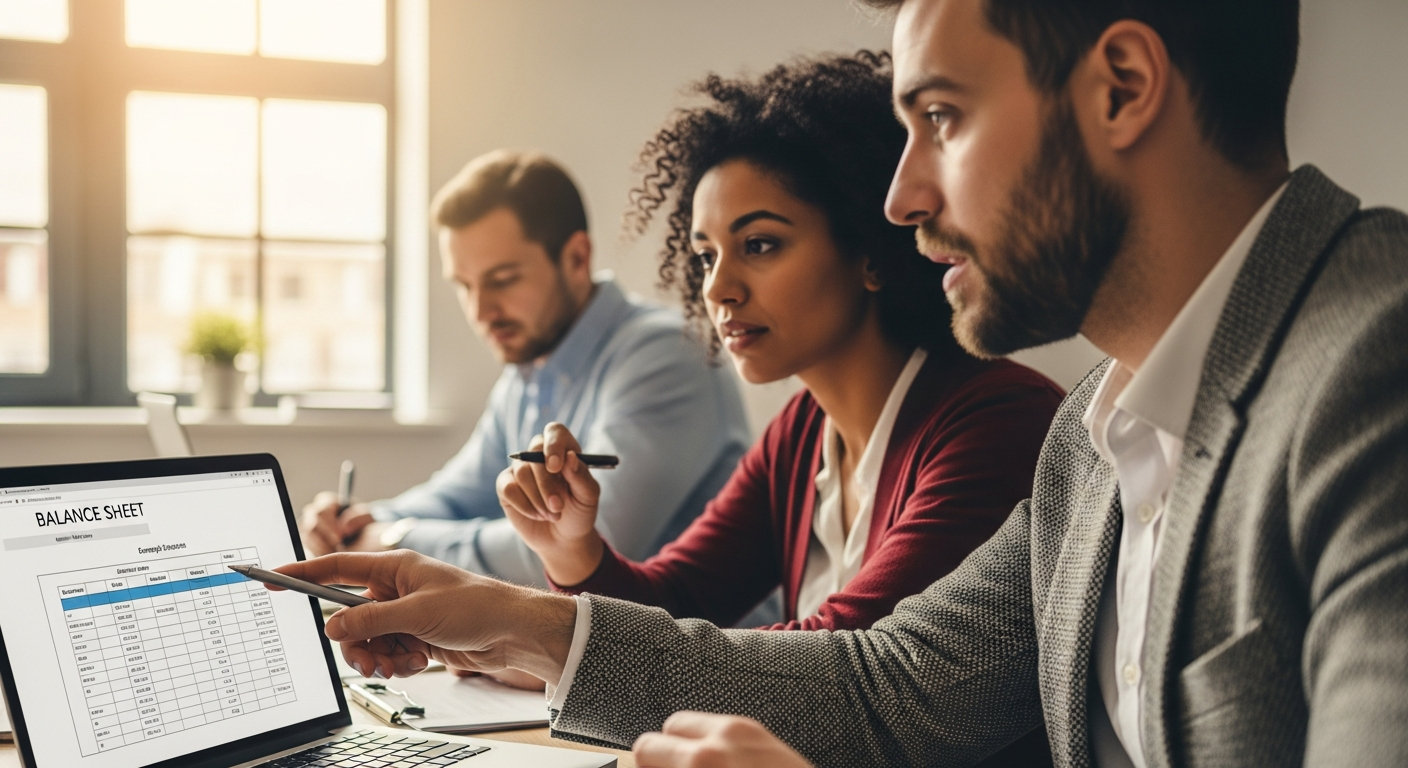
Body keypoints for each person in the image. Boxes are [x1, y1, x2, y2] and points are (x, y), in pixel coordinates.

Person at [279, 0, 1408, 766]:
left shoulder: (1376, 367)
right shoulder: (1091, 434)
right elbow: (886, 685)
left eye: (942, 118)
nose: (902, 197)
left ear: (1121, 86)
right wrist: (517, 623)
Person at [496, 57, 1060, 764]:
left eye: (759, 245)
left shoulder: (997, 423)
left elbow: (837, 667)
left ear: (869, 251)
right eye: (706, 256)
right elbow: (677, 599)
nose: (718, 289)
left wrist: (541, 631)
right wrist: (570, 548)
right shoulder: (801, 431)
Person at [299, 150, 751, 589]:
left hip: (699, 638)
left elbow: (575, 553)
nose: (481, 311)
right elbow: (460, 495)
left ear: (577, 258)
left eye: (502, 280)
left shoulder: (668, 355)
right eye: (464, 286)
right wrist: (360, 522)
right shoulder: (530, 367)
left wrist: (394, 542)